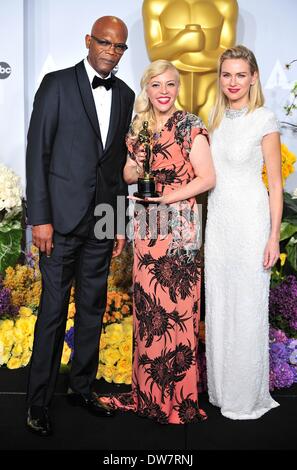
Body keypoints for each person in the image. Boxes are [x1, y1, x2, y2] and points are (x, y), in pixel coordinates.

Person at [25, 16, 135, 436]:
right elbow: (38, 153)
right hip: (60, 222)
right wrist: (42, 218)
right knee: (52, 311)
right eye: (104, 42)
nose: (110, 50)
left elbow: (119, 167)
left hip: (103, 223)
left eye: (119, 46)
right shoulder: (56, 84)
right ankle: (37, 403)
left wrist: (120, 222)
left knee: (92, 307)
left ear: (123, 51)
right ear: (89, 41)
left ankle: (82, 389)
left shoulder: (125, 95)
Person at [100, 59, 215, 424]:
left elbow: (208, 178)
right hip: (148, 223)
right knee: (150, 312)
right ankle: (148, 396)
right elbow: (129, 173)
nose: (163, 91)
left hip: (179, 221)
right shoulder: (140, 127)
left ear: (177, 87)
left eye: (169, 84)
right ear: (146, 89)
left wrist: (169, 196)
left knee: (178, 312)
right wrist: (135, 167)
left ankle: (178, 402)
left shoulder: (189, 125)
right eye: (156, 85)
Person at [205, 45, 283, 419]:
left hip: (251, 222)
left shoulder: (264, 119)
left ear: (253, 77)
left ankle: (245, 396)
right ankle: (222, 391)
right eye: (226, 74)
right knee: (220, 304)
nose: (233, 82)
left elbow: (276, 185)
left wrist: (273, 238)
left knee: (247, 306)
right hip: (218, 222)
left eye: (240, 74)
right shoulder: (214, 118)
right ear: (219, 79)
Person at [142, 0, 238, 122]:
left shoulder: (225, 4)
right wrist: (180, 43)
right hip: (170, 88)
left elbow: (228, 57)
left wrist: (184, 56)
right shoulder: (155, 4)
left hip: (211, 86)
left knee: (214, 139)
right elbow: (153, 54)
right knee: (168, 139)